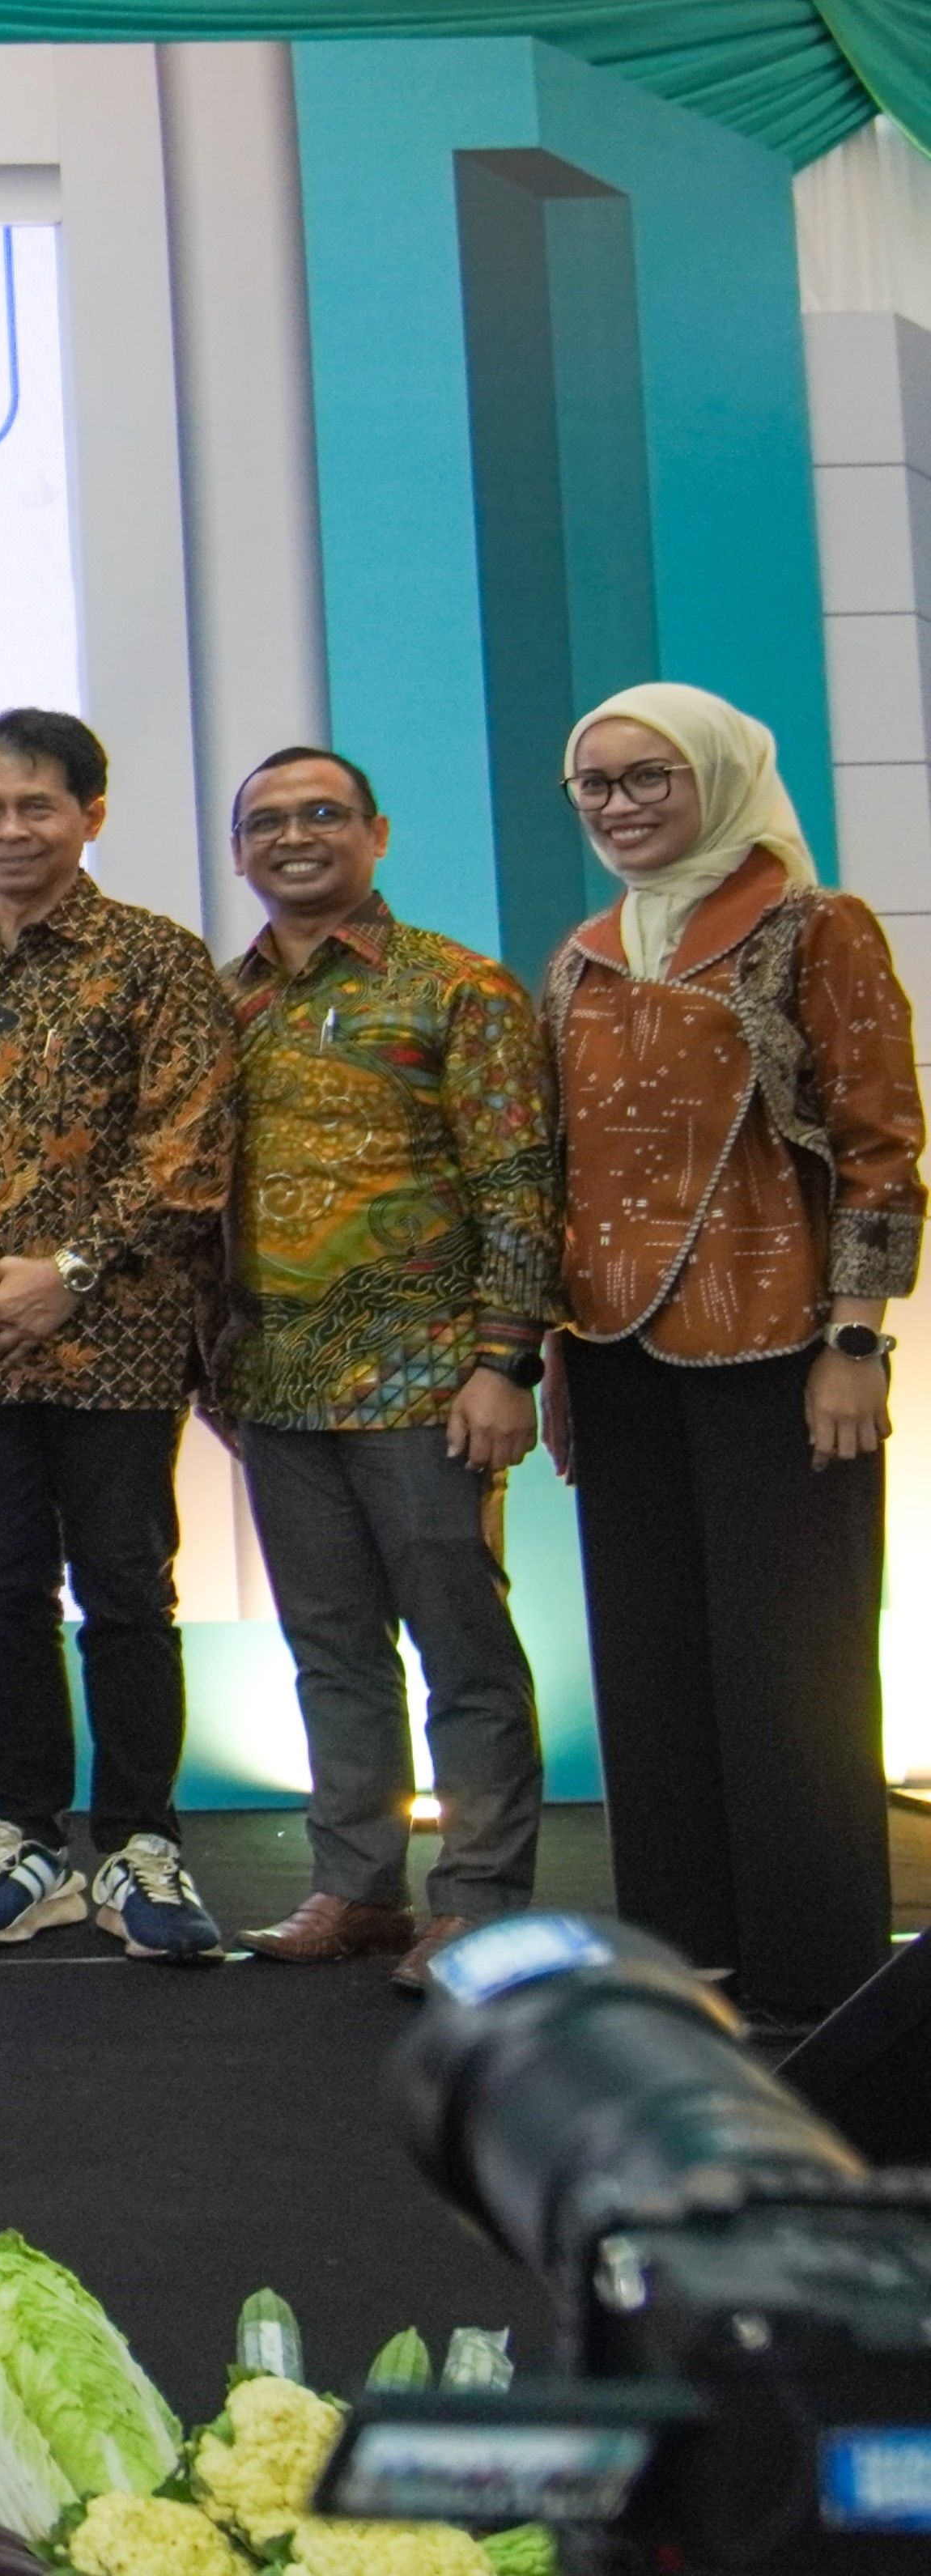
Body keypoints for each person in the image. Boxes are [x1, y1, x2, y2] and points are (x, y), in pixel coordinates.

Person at [546, 688, 920, 2026]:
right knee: (651, 1672)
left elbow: (882, 1148)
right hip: (612, 1350)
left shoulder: (816, 929)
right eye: (593, 783)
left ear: (720, 776)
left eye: (650, 778)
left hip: (784, 1346)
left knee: (792, 1669)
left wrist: (859, 1344)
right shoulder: (584, 953)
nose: (620, 804)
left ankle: (817, 1981)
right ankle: (684, 1965)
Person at [0, 707, 239, 1962]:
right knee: (3, 1593)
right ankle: (23, 1838)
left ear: (92, 812)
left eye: (37, 804)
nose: (10, 827)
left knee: (128, 1593)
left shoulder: (157, 959)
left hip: (118, 1335)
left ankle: (142, 1847)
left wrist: (70, 1271)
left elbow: (190, 1152)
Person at [215, 748, 555, 1992]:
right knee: (332, 1650)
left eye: (323, 815)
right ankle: (356, 1889)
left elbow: (520, 1186)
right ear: (239, 850)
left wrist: (504, 1364)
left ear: (378, 832)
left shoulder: (458, 989)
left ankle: (477, 1900)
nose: (295, 837)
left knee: (462, 1649)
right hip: (276, 1386)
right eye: (267, 823)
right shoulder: (226, 1002)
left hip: (425, 1383)